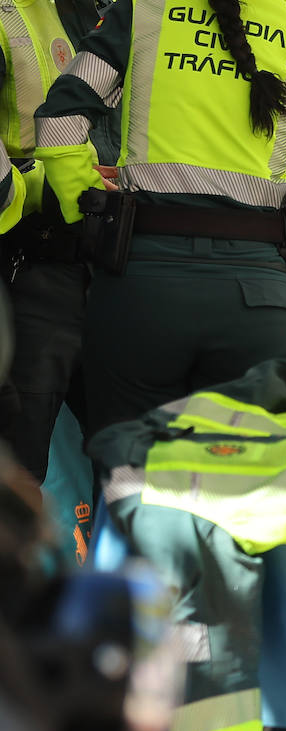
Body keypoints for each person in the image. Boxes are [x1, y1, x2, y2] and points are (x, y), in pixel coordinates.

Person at [32, 0, 286, 439]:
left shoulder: (142, 10)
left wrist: (85, 208)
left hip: (141, 289)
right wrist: (280, 274)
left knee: (132, 481)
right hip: (260, 300)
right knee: (245, 491)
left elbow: (59, 126)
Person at [0, 0, 120, 488]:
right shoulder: (12, 15)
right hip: (30, 266)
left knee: (135, 469)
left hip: (121, 268)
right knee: (18, 472)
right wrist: (46, 190)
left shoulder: (124, 13)